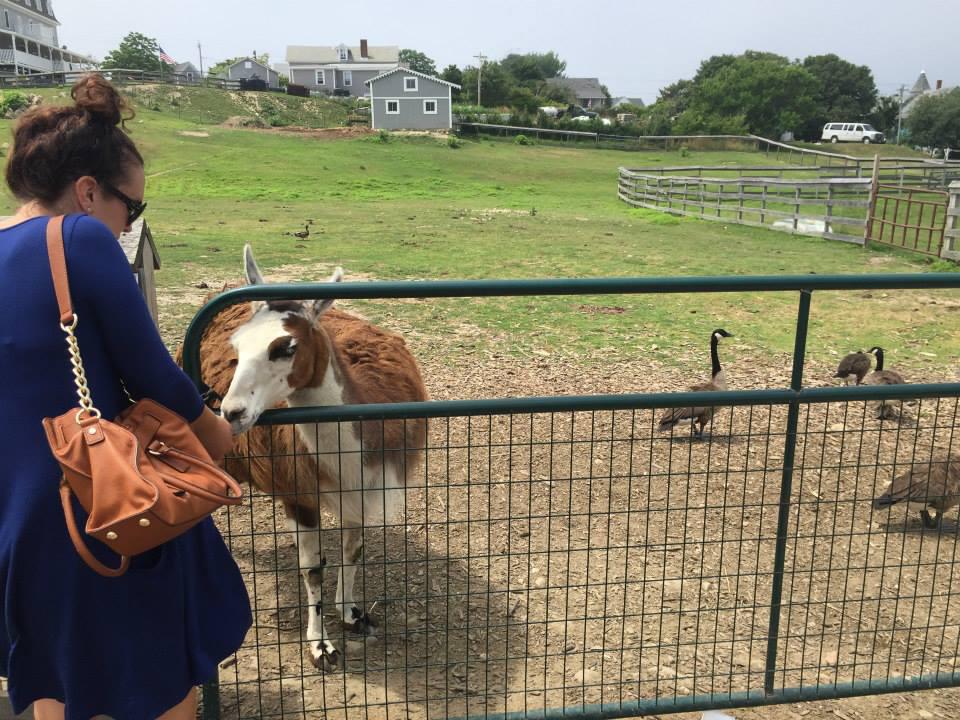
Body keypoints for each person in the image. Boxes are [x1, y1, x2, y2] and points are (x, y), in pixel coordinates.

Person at [0, 74, 251, 719]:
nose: (128, 224)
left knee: (57, 677)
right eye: (132, 209)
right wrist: (216, 435)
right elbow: (153, 373)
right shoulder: (77, 237)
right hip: (99, 504)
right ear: (89, 191)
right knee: (161, 678)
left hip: (14, 518)